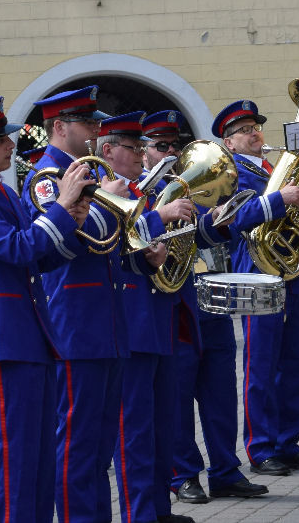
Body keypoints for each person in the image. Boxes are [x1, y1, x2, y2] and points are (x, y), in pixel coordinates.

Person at [0, 96, 94, 523]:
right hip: (6, 337)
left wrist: (73, 226)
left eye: (7, 137)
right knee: (19, 457)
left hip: (31, 334)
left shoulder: (1, 190)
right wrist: (61, 209)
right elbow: (16, 248)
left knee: (41, 455)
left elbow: (39, 257)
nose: (10, 145)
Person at [144, 110, 268, 504]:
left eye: (174, 144)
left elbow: (217, 231)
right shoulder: (139, 196)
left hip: (211, 294)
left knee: (219, 392)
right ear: (144, 151)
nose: (168, 151)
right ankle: (183, 474)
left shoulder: (193, 185)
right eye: (158, 145)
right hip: (175, 302)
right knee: (179, 393)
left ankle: (226, 470)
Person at [19, 85, 131, 523]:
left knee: (99, 446)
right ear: (60, 127)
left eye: (96, 122)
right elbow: (81, 233)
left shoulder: (87, 173)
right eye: (87, 122)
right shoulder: (49, 178)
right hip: (75, 324)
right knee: (77, 445)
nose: (97, 131)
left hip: (105, 322)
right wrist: (116, 201)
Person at [212, 99, 299, 478]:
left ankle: (288, 442)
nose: (254, 133)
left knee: (295, 364)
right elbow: (230, 222)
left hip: (293, 276)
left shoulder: (278, 168)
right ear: (229, 143)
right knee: (260, 366)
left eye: (255, 127)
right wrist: (277, 199)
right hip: (257, 275)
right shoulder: (228, 176)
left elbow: (296, 221)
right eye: (244, 130)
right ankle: (261, 448)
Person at [100, 111, 203, 523]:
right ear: (109, 151)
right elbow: (114, 237)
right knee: (135, 430)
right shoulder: (104, 191)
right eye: (133, 146)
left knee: (163, 426)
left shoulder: (146, 191)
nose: (142, 153)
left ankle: (159, 509)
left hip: (161, 318)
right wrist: (159, 218)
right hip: (132, 321)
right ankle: (139, 513)